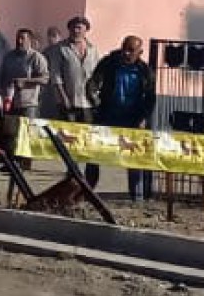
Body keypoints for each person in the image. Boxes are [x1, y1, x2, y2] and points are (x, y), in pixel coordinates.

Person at [90, 35, 158, 200]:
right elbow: (93, 82)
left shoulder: (144, 71)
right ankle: (87, 190)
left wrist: (144, 118)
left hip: (132, 118)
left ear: (140, 52)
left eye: (131, 50)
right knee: (93, 154)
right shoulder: (109, 63)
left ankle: (137, 196)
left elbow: (150, 98)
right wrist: (94, 101)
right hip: (107, 114)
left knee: (134, 157)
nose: (126, 53)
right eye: (124, 49)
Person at [45, 15, 102, 186]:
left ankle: (91, 177)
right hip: (69, 101)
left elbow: (98, 74)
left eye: (80, 28)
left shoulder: (93, 49)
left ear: (86, 30)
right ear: (69, 29)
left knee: (89, 139)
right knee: (69, 140)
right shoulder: (61, 49)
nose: (77, 31)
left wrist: (97, 94)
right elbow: (55, 75)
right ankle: (72, 174)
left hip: (89, 103)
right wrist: (63, 97)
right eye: (74, 28)